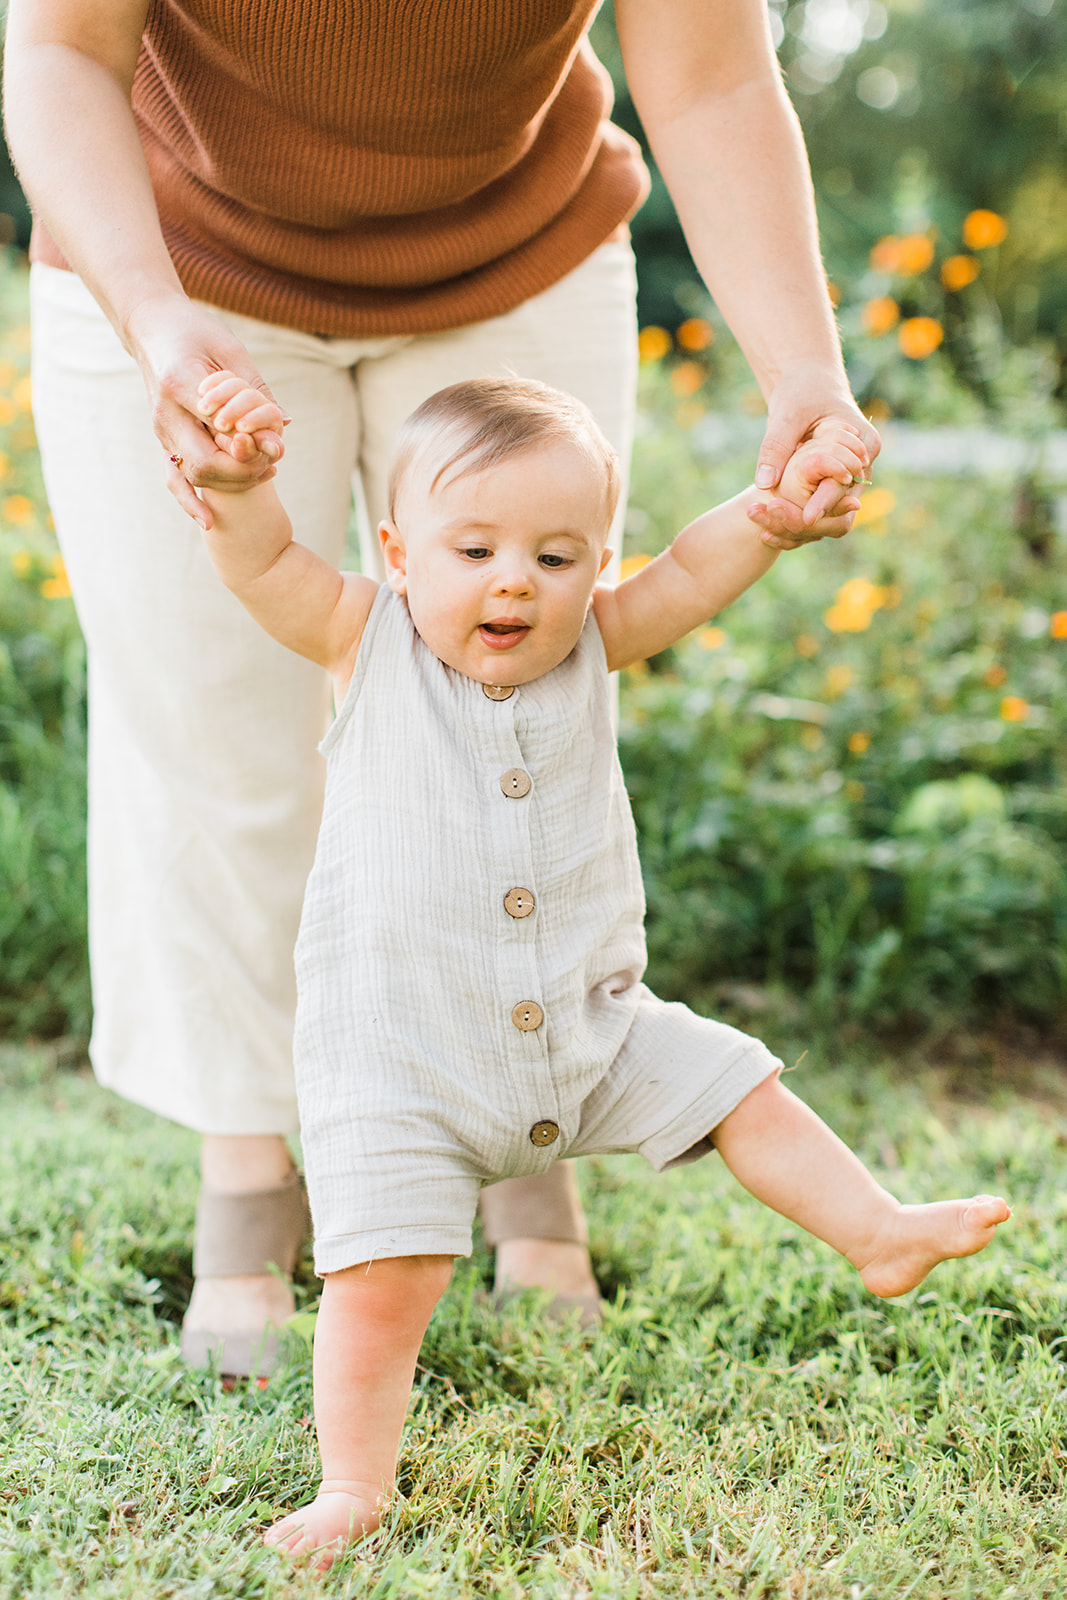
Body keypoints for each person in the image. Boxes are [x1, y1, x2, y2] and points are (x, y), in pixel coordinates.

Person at [4, 0, 879, 1369]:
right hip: (166, 254)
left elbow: (704, 76)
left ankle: (527, 1145)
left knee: (510, 711)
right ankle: (248, 1167)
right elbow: (58, 52)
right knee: (211, 724)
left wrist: (802, 372)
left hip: (511, 254)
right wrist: (158, 325)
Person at [192, 371, 1007, 1567]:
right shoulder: (363, 641)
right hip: (402, 1061)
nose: (515, 578)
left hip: (588, 1023)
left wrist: (765, 518)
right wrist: (236, 487)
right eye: (473, 547)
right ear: (399, 552)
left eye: (557, 556)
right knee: (382, 1282)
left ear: (592, 564)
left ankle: (876, 1231)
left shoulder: (591, 646)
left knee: (740, 1085)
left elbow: (680, 573)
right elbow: (265, 569)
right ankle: (352, 1483)